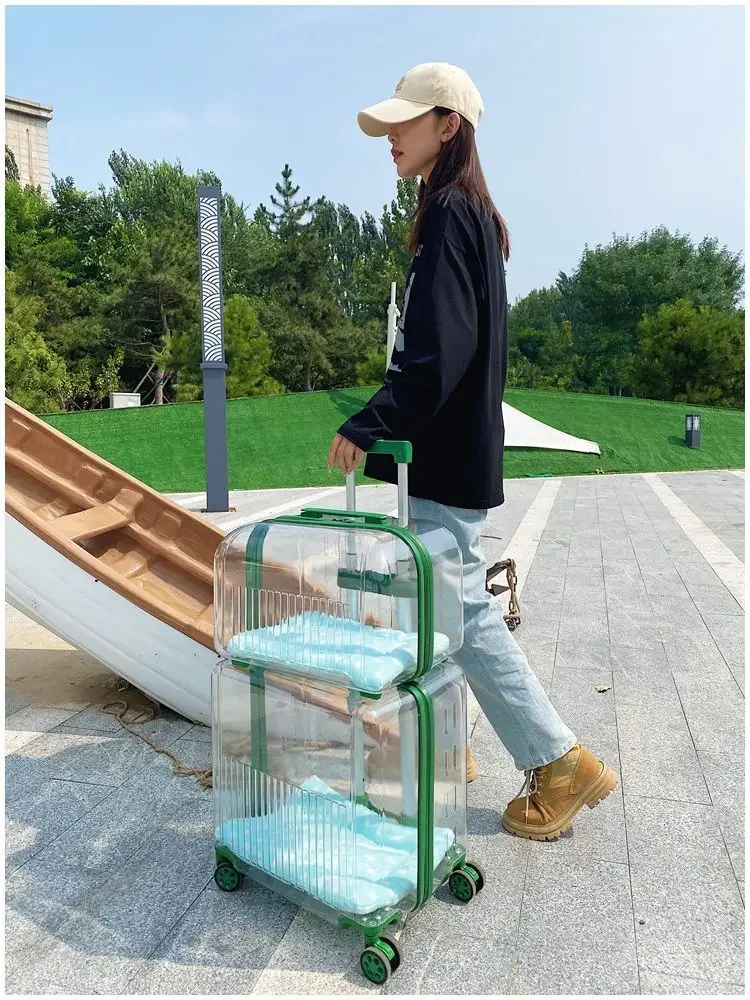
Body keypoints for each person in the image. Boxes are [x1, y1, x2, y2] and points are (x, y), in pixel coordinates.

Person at [327, 62, 617, 841]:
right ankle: (450, 745)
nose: (391, 136)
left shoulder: (453, 213)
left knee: (460, 611)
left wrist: (368, 422)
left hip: (445, 456)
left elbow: (437, 355)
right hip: (454, 452)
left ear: (448, 125)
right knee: (440, 602)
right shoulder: (467, 213)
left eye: (405, 122)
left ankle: (559, 762)